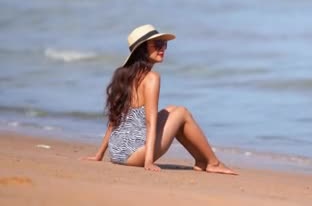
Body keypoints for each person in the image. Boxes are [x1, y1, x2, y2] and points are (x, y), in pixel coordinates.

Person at [85, 24, 236, 175]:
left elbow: (114, 120)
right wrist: (148, 161)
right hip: (133, 155)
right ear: (142, 49)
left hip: (116, 152)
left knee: (171, 110)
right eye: (157, 44)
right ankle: (213, 163)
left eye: (164, 44)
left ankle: (201, 160)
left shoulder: (123, 75)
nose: (162, 48)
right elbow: (150, 122)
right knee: (182, 112)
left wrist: (99, 155)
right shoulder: (151, 78)